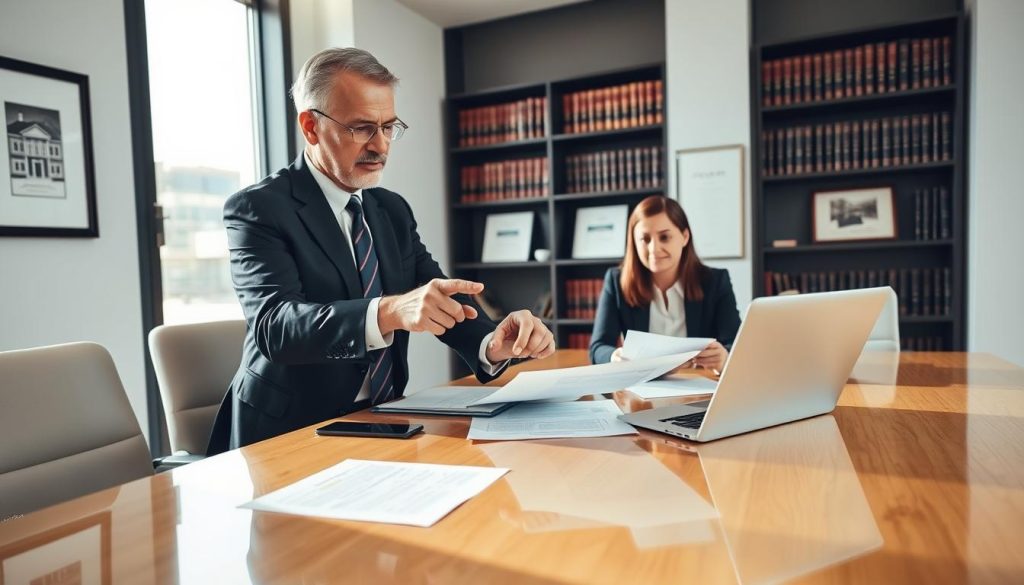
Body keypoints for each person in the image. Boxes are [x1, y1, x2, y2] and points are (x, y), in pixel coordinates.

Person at [209, 48, 555, 452]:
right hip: (289, 434)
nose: (381, 146)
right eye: (361, 128)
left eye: (389, 127)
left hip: (383, 419)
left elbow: (437, 296)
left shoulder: (390, 208)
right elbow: (277, 327)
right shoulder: (259, 208)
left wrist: (491, 343)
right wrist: (390, 310)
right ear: (310, 127)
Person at [589, 195, 740, 371]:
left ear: (684, 237)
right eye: (645, 239)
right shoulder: (616, 281)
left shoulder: (715, 281)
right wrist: (614, 357)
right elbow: (598, 348)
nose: (654, 249)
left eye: (665, 237)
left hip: (697, 384)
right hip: (641, 387)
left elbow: (736, 345)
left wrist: (725, 356)